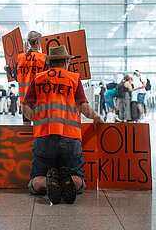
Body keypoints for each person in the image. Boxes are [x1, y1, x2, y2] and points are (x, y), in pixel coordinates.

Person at [22, 45, 104, 204]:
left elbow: (25, 107)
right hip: (70, 138)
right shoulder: (74, 78)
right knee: (78, 179)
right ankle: (67, 183)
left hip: (44, 137)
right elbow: (83, 107)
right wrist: (97, 118)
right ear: (66, 61)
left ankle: (48, 183)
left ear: (49, 63)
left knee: (36, 180)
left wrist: (37, 120)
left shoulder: (38, 78)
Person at [6, 31, 47, 124]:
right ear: (37, 42)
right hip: (40, 98)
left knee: (26, 125)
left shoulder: (20, 58)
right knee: (40, 126)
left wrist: (8, 70)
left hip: (25, 99)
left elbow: (16, 77)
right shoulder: (43, 58)